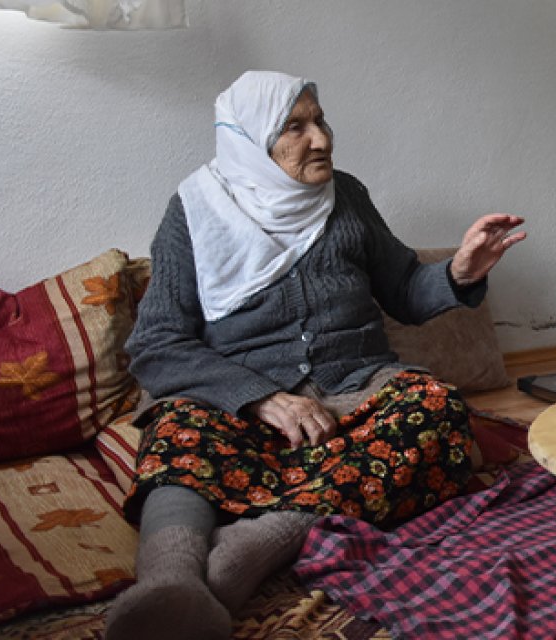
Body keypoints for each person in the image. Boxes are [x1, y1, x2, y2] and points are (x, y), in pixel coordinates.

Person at [105, 70, 526, 639]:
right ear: (251, 139)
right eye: (295, 127)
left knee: (436, 409)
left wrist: (458, 272)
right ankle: (170, 582)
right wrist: (261, 399)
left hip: (357, 386)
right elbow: (156, 344)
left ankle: (243, 555)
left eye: (320, 121)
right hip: (241, 400)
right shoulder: (195, 211)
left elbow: (403, 288)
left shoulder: (346, 196)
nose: (321, 139)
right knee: (179, 430)